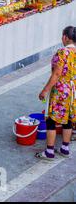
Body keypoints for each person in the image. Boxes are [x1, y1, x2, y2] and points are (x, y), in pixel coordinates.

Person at [36, 26, 76, 160]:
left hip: (61, 90)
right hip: (73, 89)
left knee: (51, 120)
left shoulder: (62, 53)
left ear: (65, 37)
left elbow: (57, 73)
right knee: (68, 118)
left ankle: (49, 151)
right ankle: (65, 148)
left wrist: (45, 90)